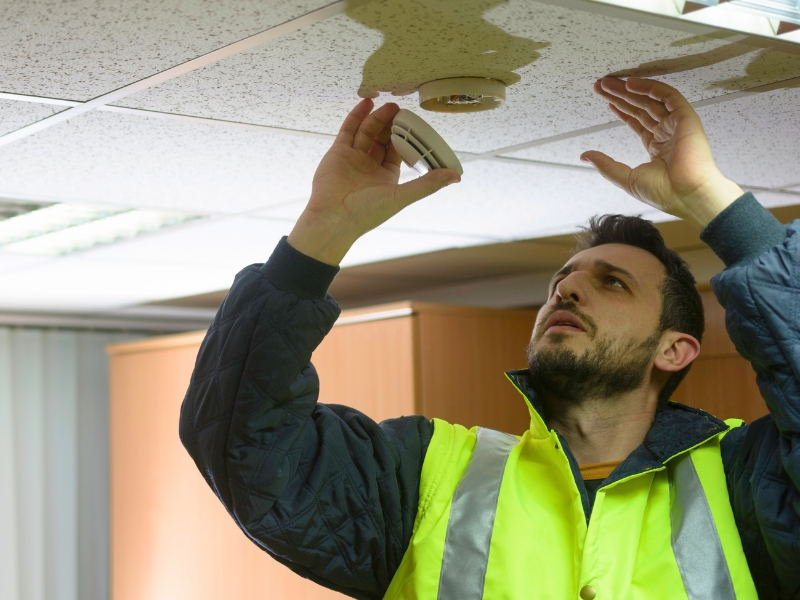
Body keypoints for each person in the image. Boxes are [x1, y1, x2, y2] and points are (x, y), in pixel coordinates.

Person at [178, 77, 799, 599]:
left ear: (675, 349)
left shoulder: (750, 483)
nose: (567, 292)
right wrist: (321, 233)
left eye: (612, 284)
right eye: (563, 281)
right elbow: (245, 445)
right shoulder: (426, 475)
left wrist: (710, 199)